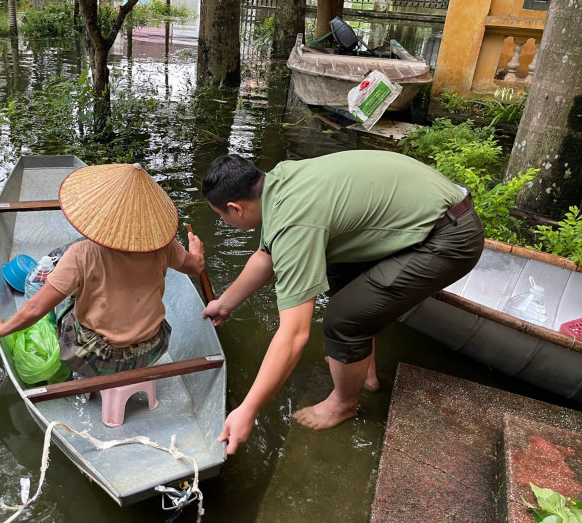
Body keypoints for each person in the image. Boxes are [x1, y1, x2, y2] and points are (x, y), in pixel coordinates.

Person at [201, 151, 485, 454]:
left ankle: (343, 404)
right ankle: (365, 371)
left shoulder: (293, 224)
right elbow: (266, 256)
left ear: (235, 208)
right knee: (335, 265)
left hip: (449, 237)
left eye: (221, 215)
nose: (223, 221)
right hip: (434, 208)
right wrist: (225, 304)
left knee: (342, 321)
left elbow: (295, 335)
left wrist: (248, 409)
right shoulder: (281, 181)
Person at [0, 163, 205, 377]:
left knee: (61, 297)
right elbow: (196, 267)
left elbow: (36, 306)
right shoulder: (164, 246)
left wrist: (1, 328)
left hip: (96, 357)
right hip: (152, 348)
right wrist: (195, 251)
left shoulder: (81, 253)